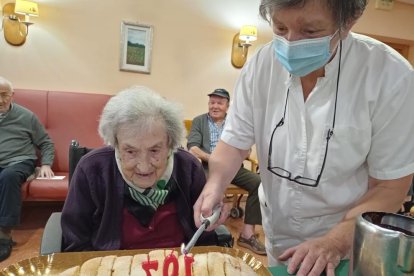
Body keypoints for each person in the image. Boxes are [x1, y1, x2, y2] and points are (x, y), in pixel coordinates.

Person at [193, 1, 414, 275]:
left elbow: (390, 186)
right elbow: (234, 144)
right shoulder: (260, 66)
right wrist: (214, 186)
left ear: (349, 22)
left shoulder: (390, 77)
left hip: (347, 237)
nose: (291, 43)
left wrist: (336, 241)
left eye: (310, 31)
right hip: (279, 230)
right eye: (280, 27)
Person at [61, 86, 217, 252]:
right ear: (115, 144)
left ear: (170, 143)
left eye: (155, 150)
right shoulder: (91, 170)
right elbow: (76, 245)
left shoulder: (189, 169)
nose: (144, 166)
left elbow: (204, 241)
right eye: (130, 151)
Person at [187, 88, 266, 255]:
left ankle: (247, 234)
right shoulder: (199, 121)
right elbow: (193, 148)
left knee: (259, 184)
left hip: (234, 167)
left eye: (219, 103)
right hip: (207, 168)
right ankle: (198, 235)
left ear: (227, 106)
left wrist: (231, 159)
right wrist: (216, 160)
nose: (215, 106)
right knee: (197, 187)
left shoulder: (235, 122)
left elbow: (246, 150)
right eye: (212, 102)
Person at [0, 77, 55, 261]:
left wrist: (46, 163)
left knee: (8, 176)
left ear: (12, 95)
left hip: (20, 160)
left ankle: (4, 236)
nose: (0, 100)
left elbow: (46, 142)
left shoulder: (26, 116)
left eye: (4, 95)